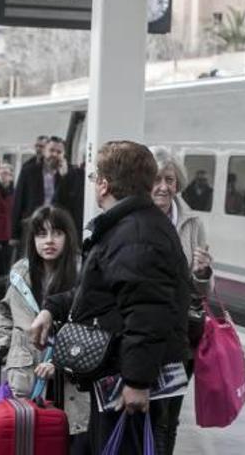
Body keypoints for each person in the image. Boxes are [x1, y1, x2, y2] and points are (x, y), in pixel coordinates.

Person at [29, 140, 191, 455]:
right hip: (117, 372)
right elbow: (101, 293)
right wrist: (52, 308)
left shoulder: (136, 234)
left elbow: (146, 312)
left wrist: (137, 381)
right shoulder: (132, 227)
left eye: (93, 179)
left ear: (103, 184)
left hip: (125, 381)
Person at [0, 206, 90, 453]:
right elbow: (5, 313)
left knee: (67, 441)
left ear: (68, 236)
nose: (48, 241)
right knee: (28, 442)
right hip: (25, 373)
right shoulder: (20, 272)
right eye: (41, 234)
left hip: (69, 381)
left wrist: (60, 360)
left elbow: (91, 327)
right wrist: (3, 348)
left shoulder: (83, 272)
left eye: (56, 233)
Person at [150, 148, 213, 455]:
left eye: (170, 179)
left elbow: (205, 291)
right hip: (143, 334)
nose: (163, 186)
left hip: (180, 337)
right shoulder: (135, 218)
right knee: (142, 412)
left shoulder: (192, 223)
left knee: (168, 416)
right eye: (156, 179)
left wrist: (203, 273)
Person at [11, 136, 80, 243]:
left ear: (63, 154)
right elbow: (18, 202)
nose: (55, 154)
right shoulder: (28, 171)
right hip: (33, 224)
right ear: (44, 151)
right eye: (51, 150)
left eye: (59, 152)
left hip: (57, 226)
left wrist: (65, 178)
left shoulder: (71, 173)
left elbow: (72, 203)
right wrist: (14, 235)